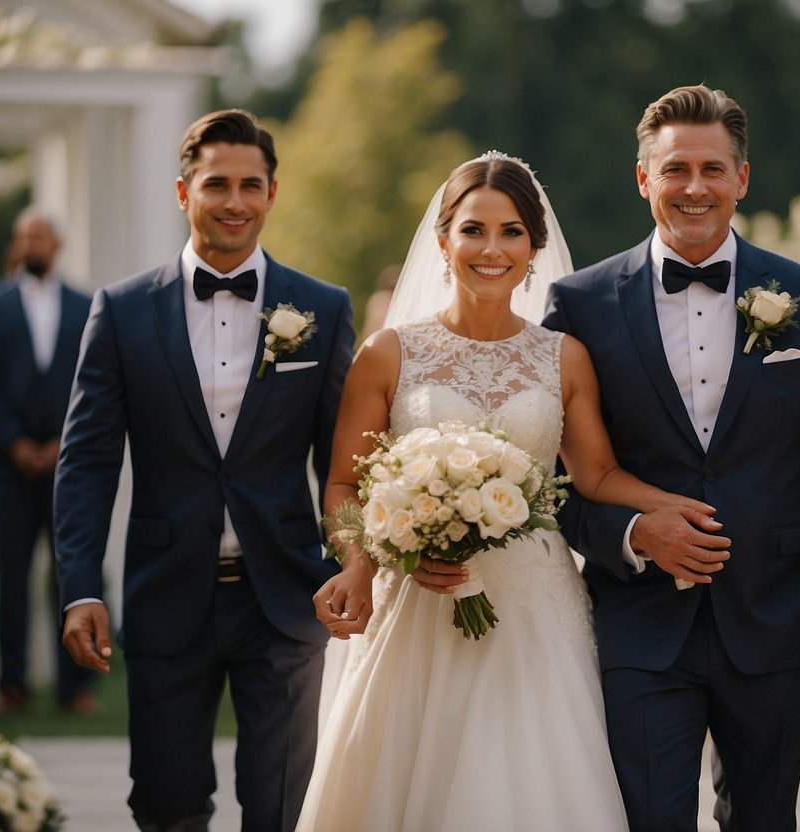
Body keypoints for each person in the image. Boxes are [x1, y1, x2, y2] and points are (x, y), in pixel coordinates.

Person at [297, 152, 717, 831]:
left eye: (511, 232)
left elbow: (596, 476)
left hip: (533, 607)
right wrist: (362, 559)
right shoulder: (388, 353)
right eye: (472, 230)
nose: (490, 249)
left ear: (533, 249)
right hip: (418, 608)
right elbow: (346, 482)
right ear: (442, 241)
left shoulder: (562, 356)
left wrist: (666, 503)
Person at [540, 84, 800, 831]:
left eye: (713, 169)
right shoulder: (579, 304)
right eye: (675, 169)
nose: (694, 188)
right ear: (643, 178)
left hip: (771, 613)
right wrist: (635, 535)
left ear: (742, 178)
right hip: (638, 621)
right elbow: (549, 484)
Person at [53, 109, 355, 832]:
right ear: (182, 191)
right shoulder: (121, 311)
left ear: (272, 194)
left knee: (281, 805)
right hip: (166, 592)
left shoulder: (319, 306)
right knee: (166, 803)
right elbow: (88, 460)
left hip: (283, 597)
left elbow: (346, 459)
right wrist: (78, 589)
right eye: (216, 183)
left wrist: (352, 561)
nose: (234, 201)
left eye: (251, 185)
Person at [0, 208, 96, 715]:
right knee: (11, 577)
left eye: (38, 237)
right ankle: (12, 682)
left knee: (72, 575)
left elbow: (94, 379)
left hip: (70, 463)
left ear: (57, 245)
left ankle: (75, 687)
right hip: (8, 466)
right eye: (22, 237)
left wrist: (66, 438)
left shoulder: (86, 305)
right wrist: (15, 442)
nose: (29, 245)